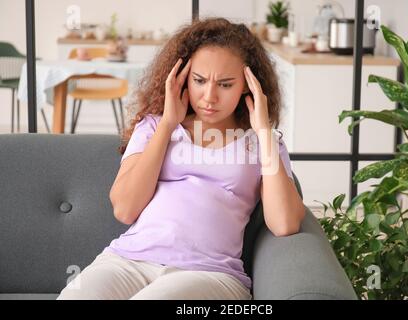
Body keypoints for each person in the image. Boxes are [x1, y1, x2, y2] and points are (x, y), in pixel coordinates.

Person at [57, 17, 305, 300]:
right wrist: (167, 124)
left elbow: (284, 223)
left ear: (248, 87)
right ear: (182, 76)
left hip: (209, 274)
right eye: (199, 80)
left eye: (225, 85)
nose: (209, 97)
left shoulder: (261, 141)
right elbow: (125, 209)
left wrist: (262, 131)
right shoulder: (153, 126)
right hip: (128, 260)